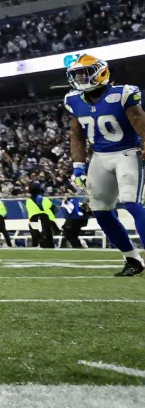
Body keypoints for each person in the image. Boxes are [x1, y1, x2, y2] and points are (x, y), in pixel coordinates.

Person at [63, 54, 145, 276]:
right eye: (77, 74)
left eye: (85, 73)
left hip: (128, 152)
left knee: (132, 202)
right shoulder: (73, 100)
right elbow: (77, 135)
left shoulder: (122, 94)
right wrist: (78, 165)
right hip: (100, 156)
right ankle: (132, 259)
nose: (81, 78)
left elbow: (141, 124)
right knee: (100, 210)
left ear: (101, 72)